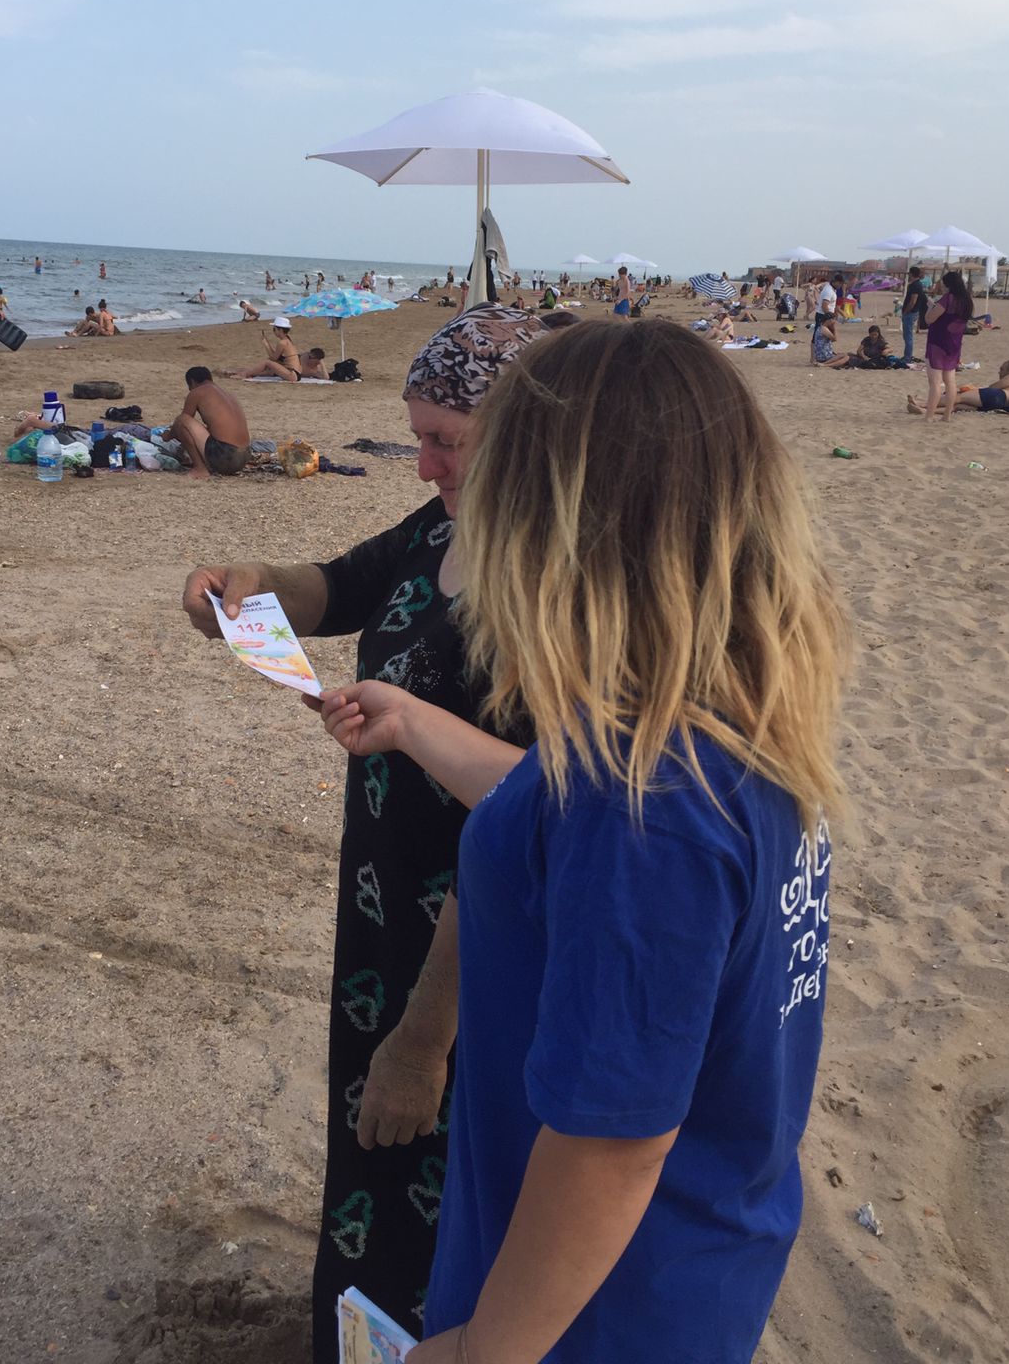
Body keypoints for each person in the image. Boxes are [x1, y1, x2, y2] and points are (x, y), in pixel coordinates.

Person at [312, 318, 846, 1364]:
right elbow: (547, 801)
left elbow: (612, 1143)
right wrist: (414, 724)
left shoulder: (644, 811)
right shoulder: (732, 728)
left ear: (559, 525)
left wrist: (482, 1350)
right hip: (699, 1261)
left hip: (588, 1315)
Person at [182, 308, 545, 1363]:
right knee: (374, 1162)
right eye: (417, 434)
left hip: (474, 953)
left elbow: (530, 824)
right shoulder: (442, 525)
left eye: (446, 441)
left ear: (522, 434)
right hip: (384, 916)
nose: (423, 462)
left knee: (449, 1169)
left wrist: (426, 1037)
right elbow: (338, 584)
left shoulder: (554, 588)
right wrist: (246, 586)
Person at [170, 367, 250, 478]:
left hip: (226, 457)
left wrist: (167, 436)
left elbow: (182, 423)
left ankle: (200, 468)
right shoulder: (227, 394)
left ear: (192, 382)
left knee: (182, 419)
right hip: (244, 456)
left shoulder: (197, 392)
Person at [921, 271, 974, 422]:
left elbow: (930, 319)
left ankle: (930, 416)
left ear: (948, 284)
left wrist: (930, 307)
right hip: (954, 343)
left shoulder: (948, 298)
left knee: (935, 382)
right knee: (950, 381)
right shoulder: (967, 301)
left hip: (938, 341)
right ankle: (947, 415)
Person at [908, 358, 1009, 415]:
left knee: (958, 397)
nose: (999, 372)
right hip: (996, 404)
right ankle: (925, 411)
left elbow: (993, 387)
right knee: (958, 406)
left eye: (1002, 369)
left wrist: (975, 389)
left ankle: (922, 404)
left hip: (996, 396)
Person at [900, 264, 926, 364]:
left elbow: (913, 301)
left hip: (911, 313)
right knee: (907, 336)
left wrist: (906, 312)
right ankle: (907, 355)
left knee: (908, 336)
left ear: (912, 274)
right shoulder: (916, 284)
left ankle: (908, 357)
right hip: (913, 312)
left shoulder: (916, 285)